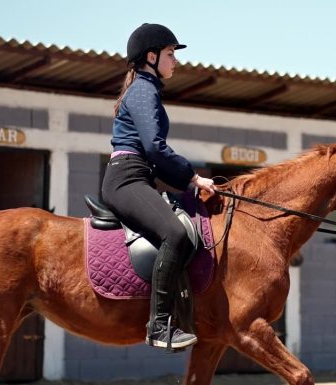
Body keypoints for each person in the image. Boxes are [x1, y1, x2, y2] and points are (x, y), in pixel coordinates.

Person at [101, 23, 215, 350]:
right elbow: (154, 147)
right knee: (176, 234)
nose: (175, 61)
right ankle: (159, 327)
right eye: (169, 54)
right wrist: (192, 177)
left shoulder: (145, 88)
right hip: (127, 178)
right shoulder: (144, 89)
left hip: (138, 176)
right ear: (151, 57)